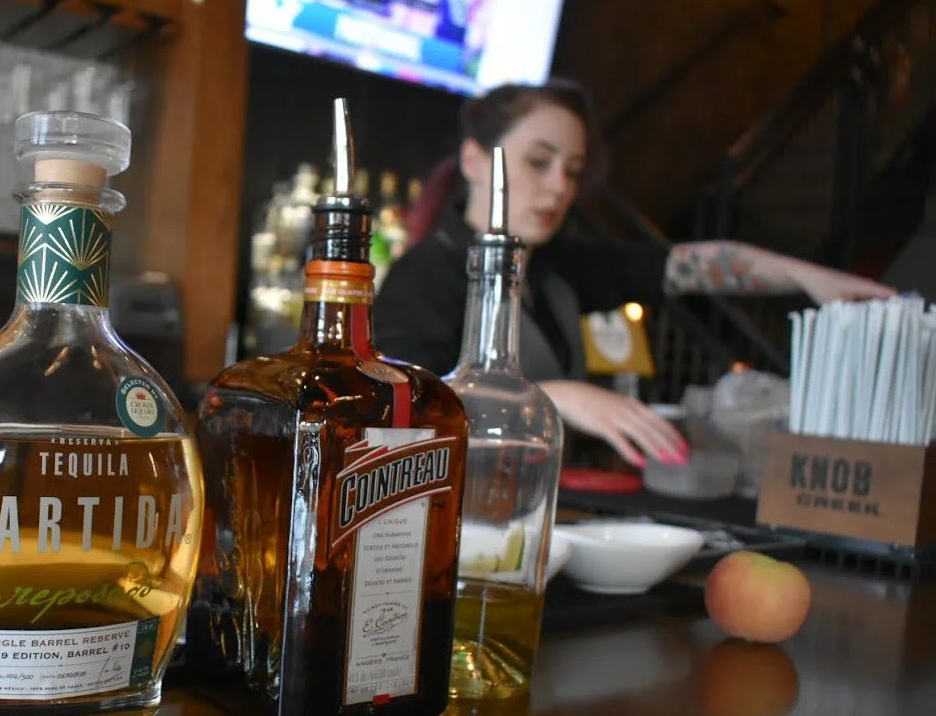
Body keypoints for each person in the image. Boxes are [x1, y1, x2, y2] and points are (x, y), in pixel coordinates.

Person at [373, 80, 896, 468]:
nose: (559, 187)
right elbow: (401, 408)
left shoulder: (558, 267)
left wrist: (805, 276)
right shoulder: (423, 277)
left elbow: (686, 266)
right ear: (473, 160)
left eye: (573, 171)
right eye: (539, 162)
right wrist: (551, 395)